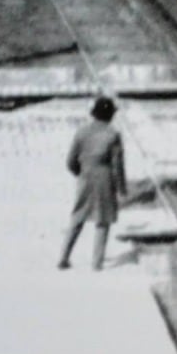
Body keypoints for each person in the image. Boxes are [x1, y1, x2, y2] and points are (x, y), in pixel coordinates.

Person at [58, 96, 128, 270]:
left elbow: (70, 161)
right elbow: (117, 165)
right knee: (103, 219)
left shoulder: (81, 132)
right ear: (110, 114)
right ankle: (97, 263)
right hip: (104, 178)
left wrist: (80, 173)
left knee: (77, 218)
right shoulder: (113, 135)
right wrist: (121, 187)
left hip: (85, 176)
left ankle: (63, 257)